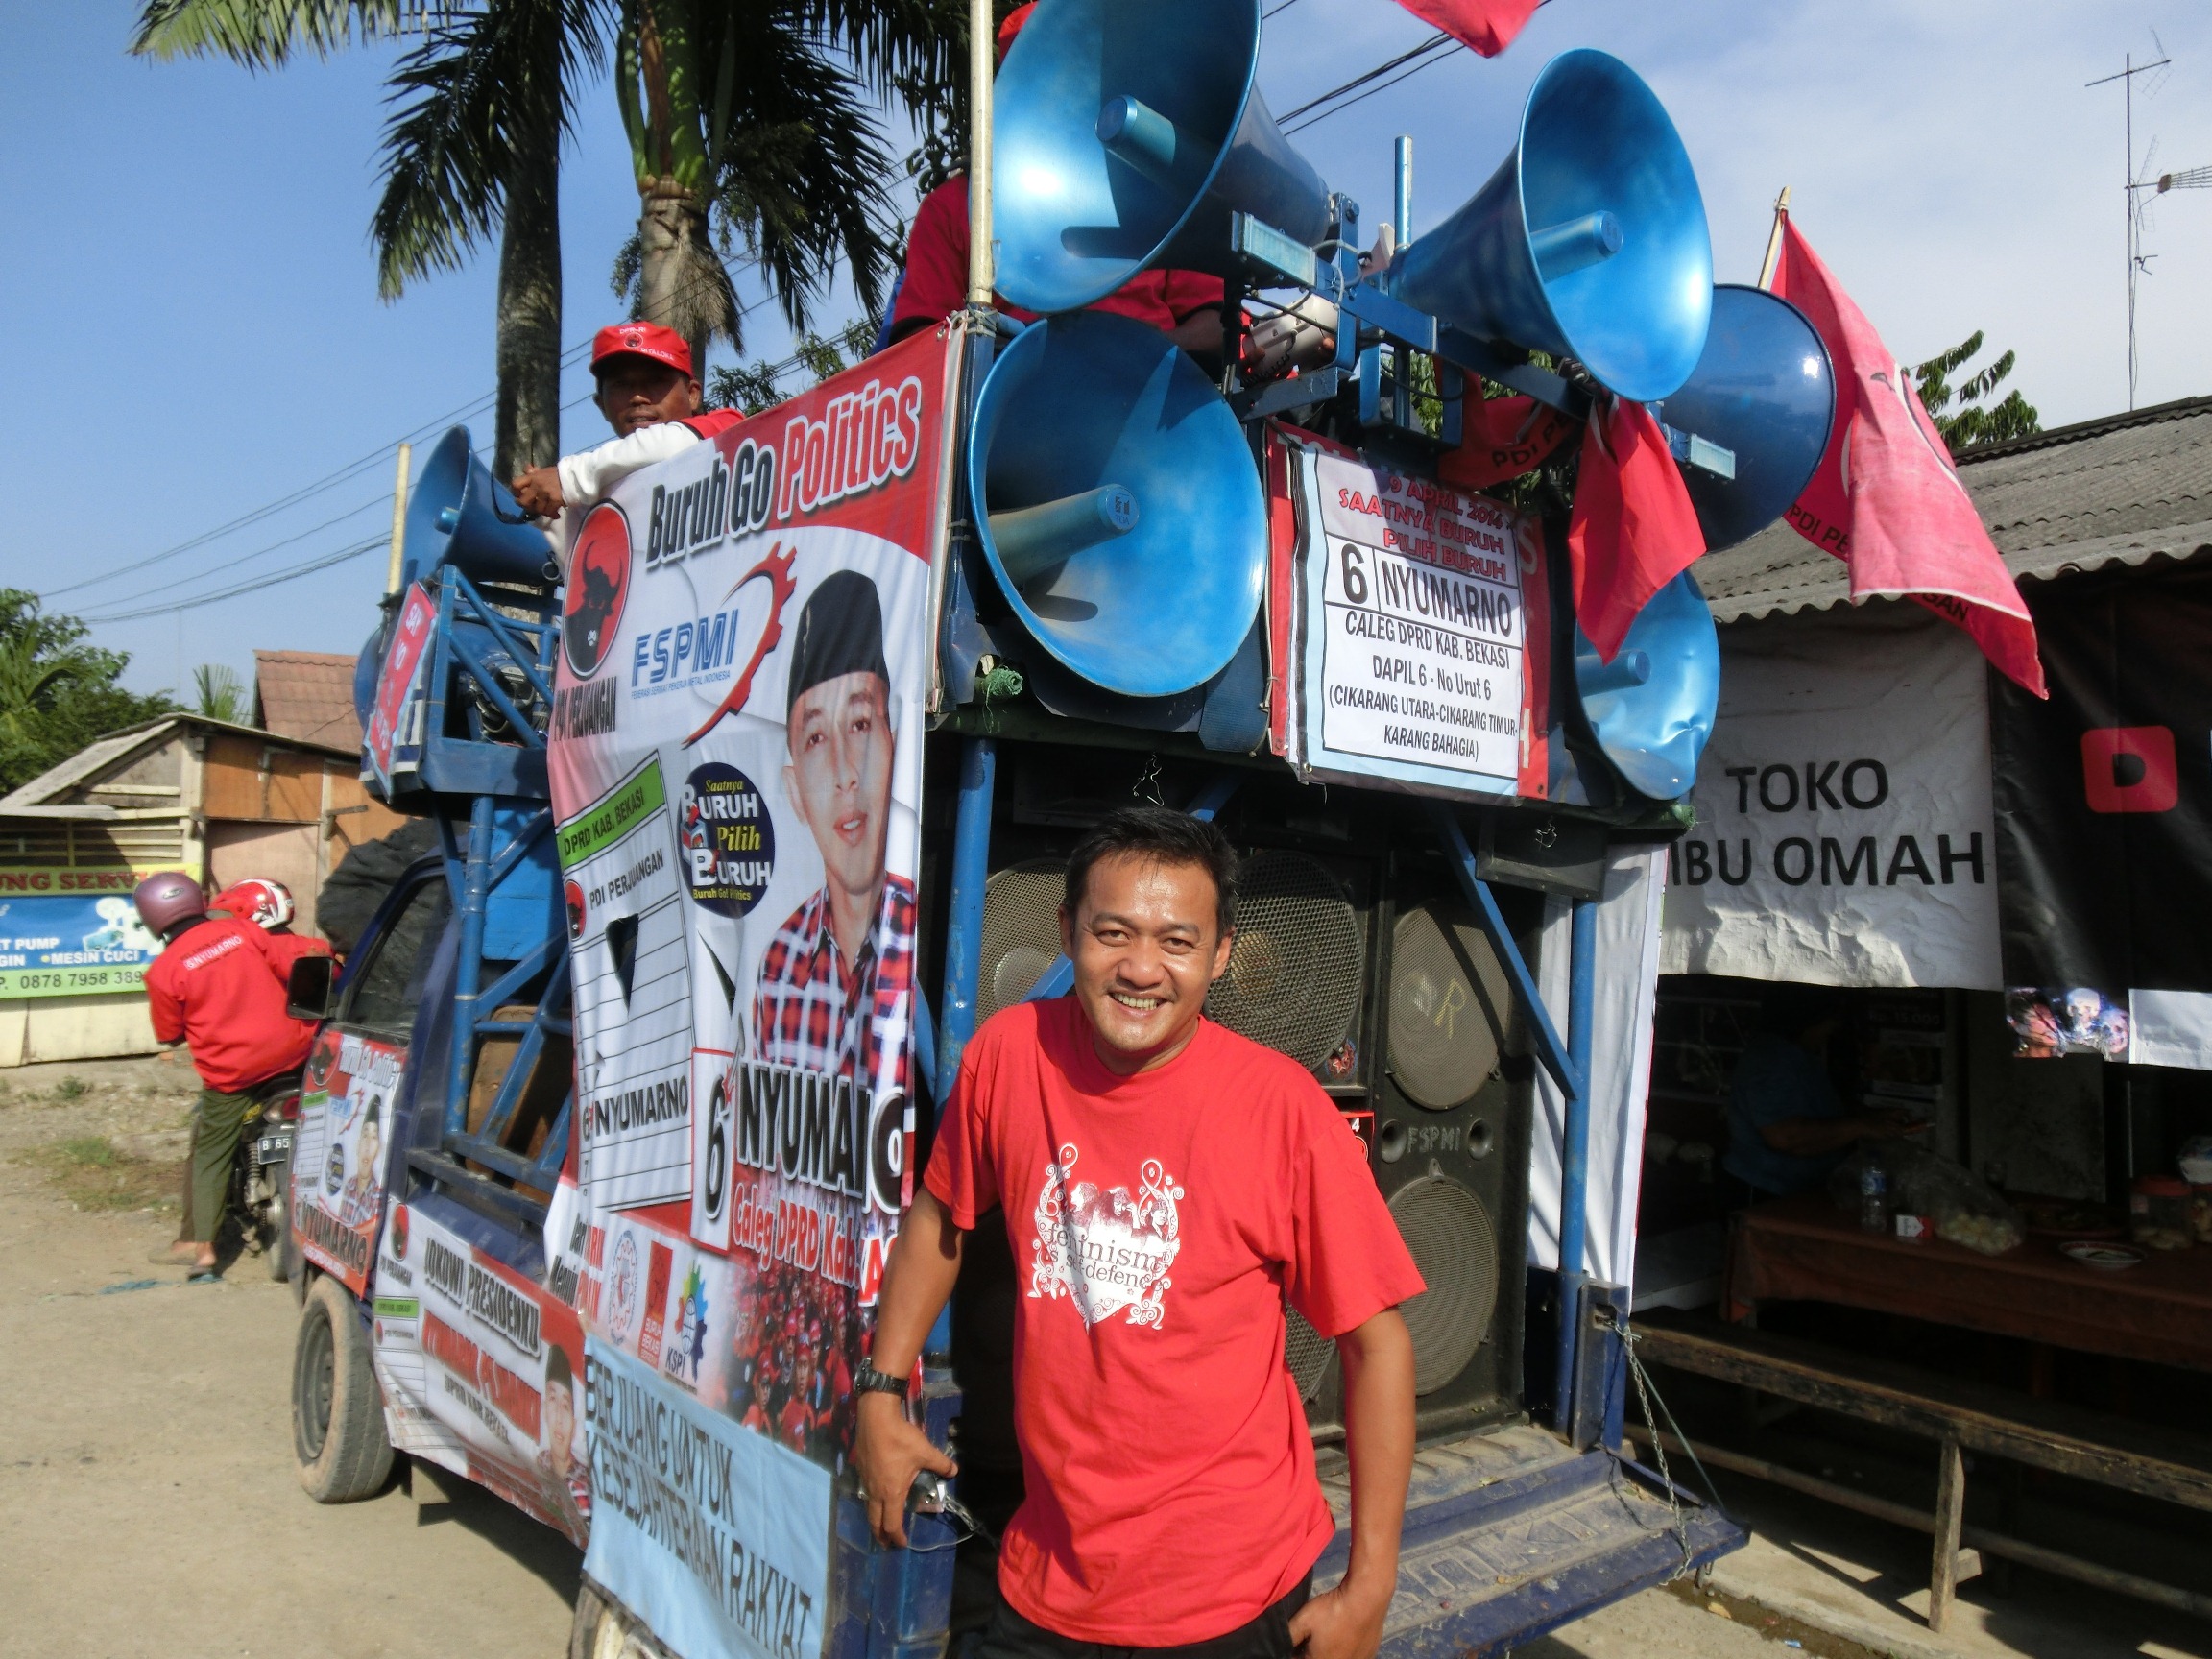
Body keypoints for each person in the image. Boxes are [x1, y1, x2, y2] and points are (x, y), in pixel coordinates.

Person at [855, 807, 1422, 1659]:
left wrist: (1371, 1584)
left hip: (1233, 1598)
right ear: (1066, 933)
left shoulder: (1281, 1109)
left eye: (1178, 942)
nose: (1141, 969)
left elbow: (1378, 1344)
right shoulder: (1008, 1057)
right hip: (1046, 1578)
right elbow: (941, 1215)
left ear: (1222, 954)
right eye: (1112, 932)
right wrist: (878, 1388)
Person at [883, 5, 1228, 369]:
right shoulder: (956, 204)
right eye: (1041, 72)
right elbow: (917, 348)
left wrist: (1136, 355)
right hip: (1014, 405)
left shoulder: (1159, 191)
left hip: (1154, 396)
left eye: (1082, 64)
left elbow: (1216, 328)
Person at [751, 570, 916, 1095]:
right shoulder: (778, 963)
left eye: (863, 725)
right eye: (817, 737)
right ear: (795, 790)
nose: (847, 772)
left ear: (896, 746)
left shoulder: (920, 933)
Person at [135, 872, 332, 1273]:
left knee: (210, 1151)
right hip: (293, 1052)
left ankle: (202, 1248)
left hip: (234, 1074)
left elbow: (169, 1035)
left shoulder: (163, 972)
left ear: (153, 917)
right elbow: (291, 968)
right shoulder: (243, 931)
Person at [509, 322, 749, 573]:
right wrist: (543, 508)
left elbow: (668, 443)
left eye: (655, 381)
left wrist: (566, 478)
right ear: (602, 405)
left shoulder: (724, 425)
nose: (637, 397)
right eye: (621, 385)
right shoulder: (601, 490)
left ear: (692, 394)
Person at [1721, 990, 1921, 1204]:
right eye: (1831, 1019)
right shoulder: (1771, 1061)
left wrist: (1871, 1117)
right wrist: (1861, 1126)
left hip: (1803, 1188)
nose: (1834, 1027)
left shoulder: (1800, 1055)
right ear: (1809, 1019)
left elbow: (1818, 1106)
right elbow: (1786, 1137)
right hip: (1766, 1190)